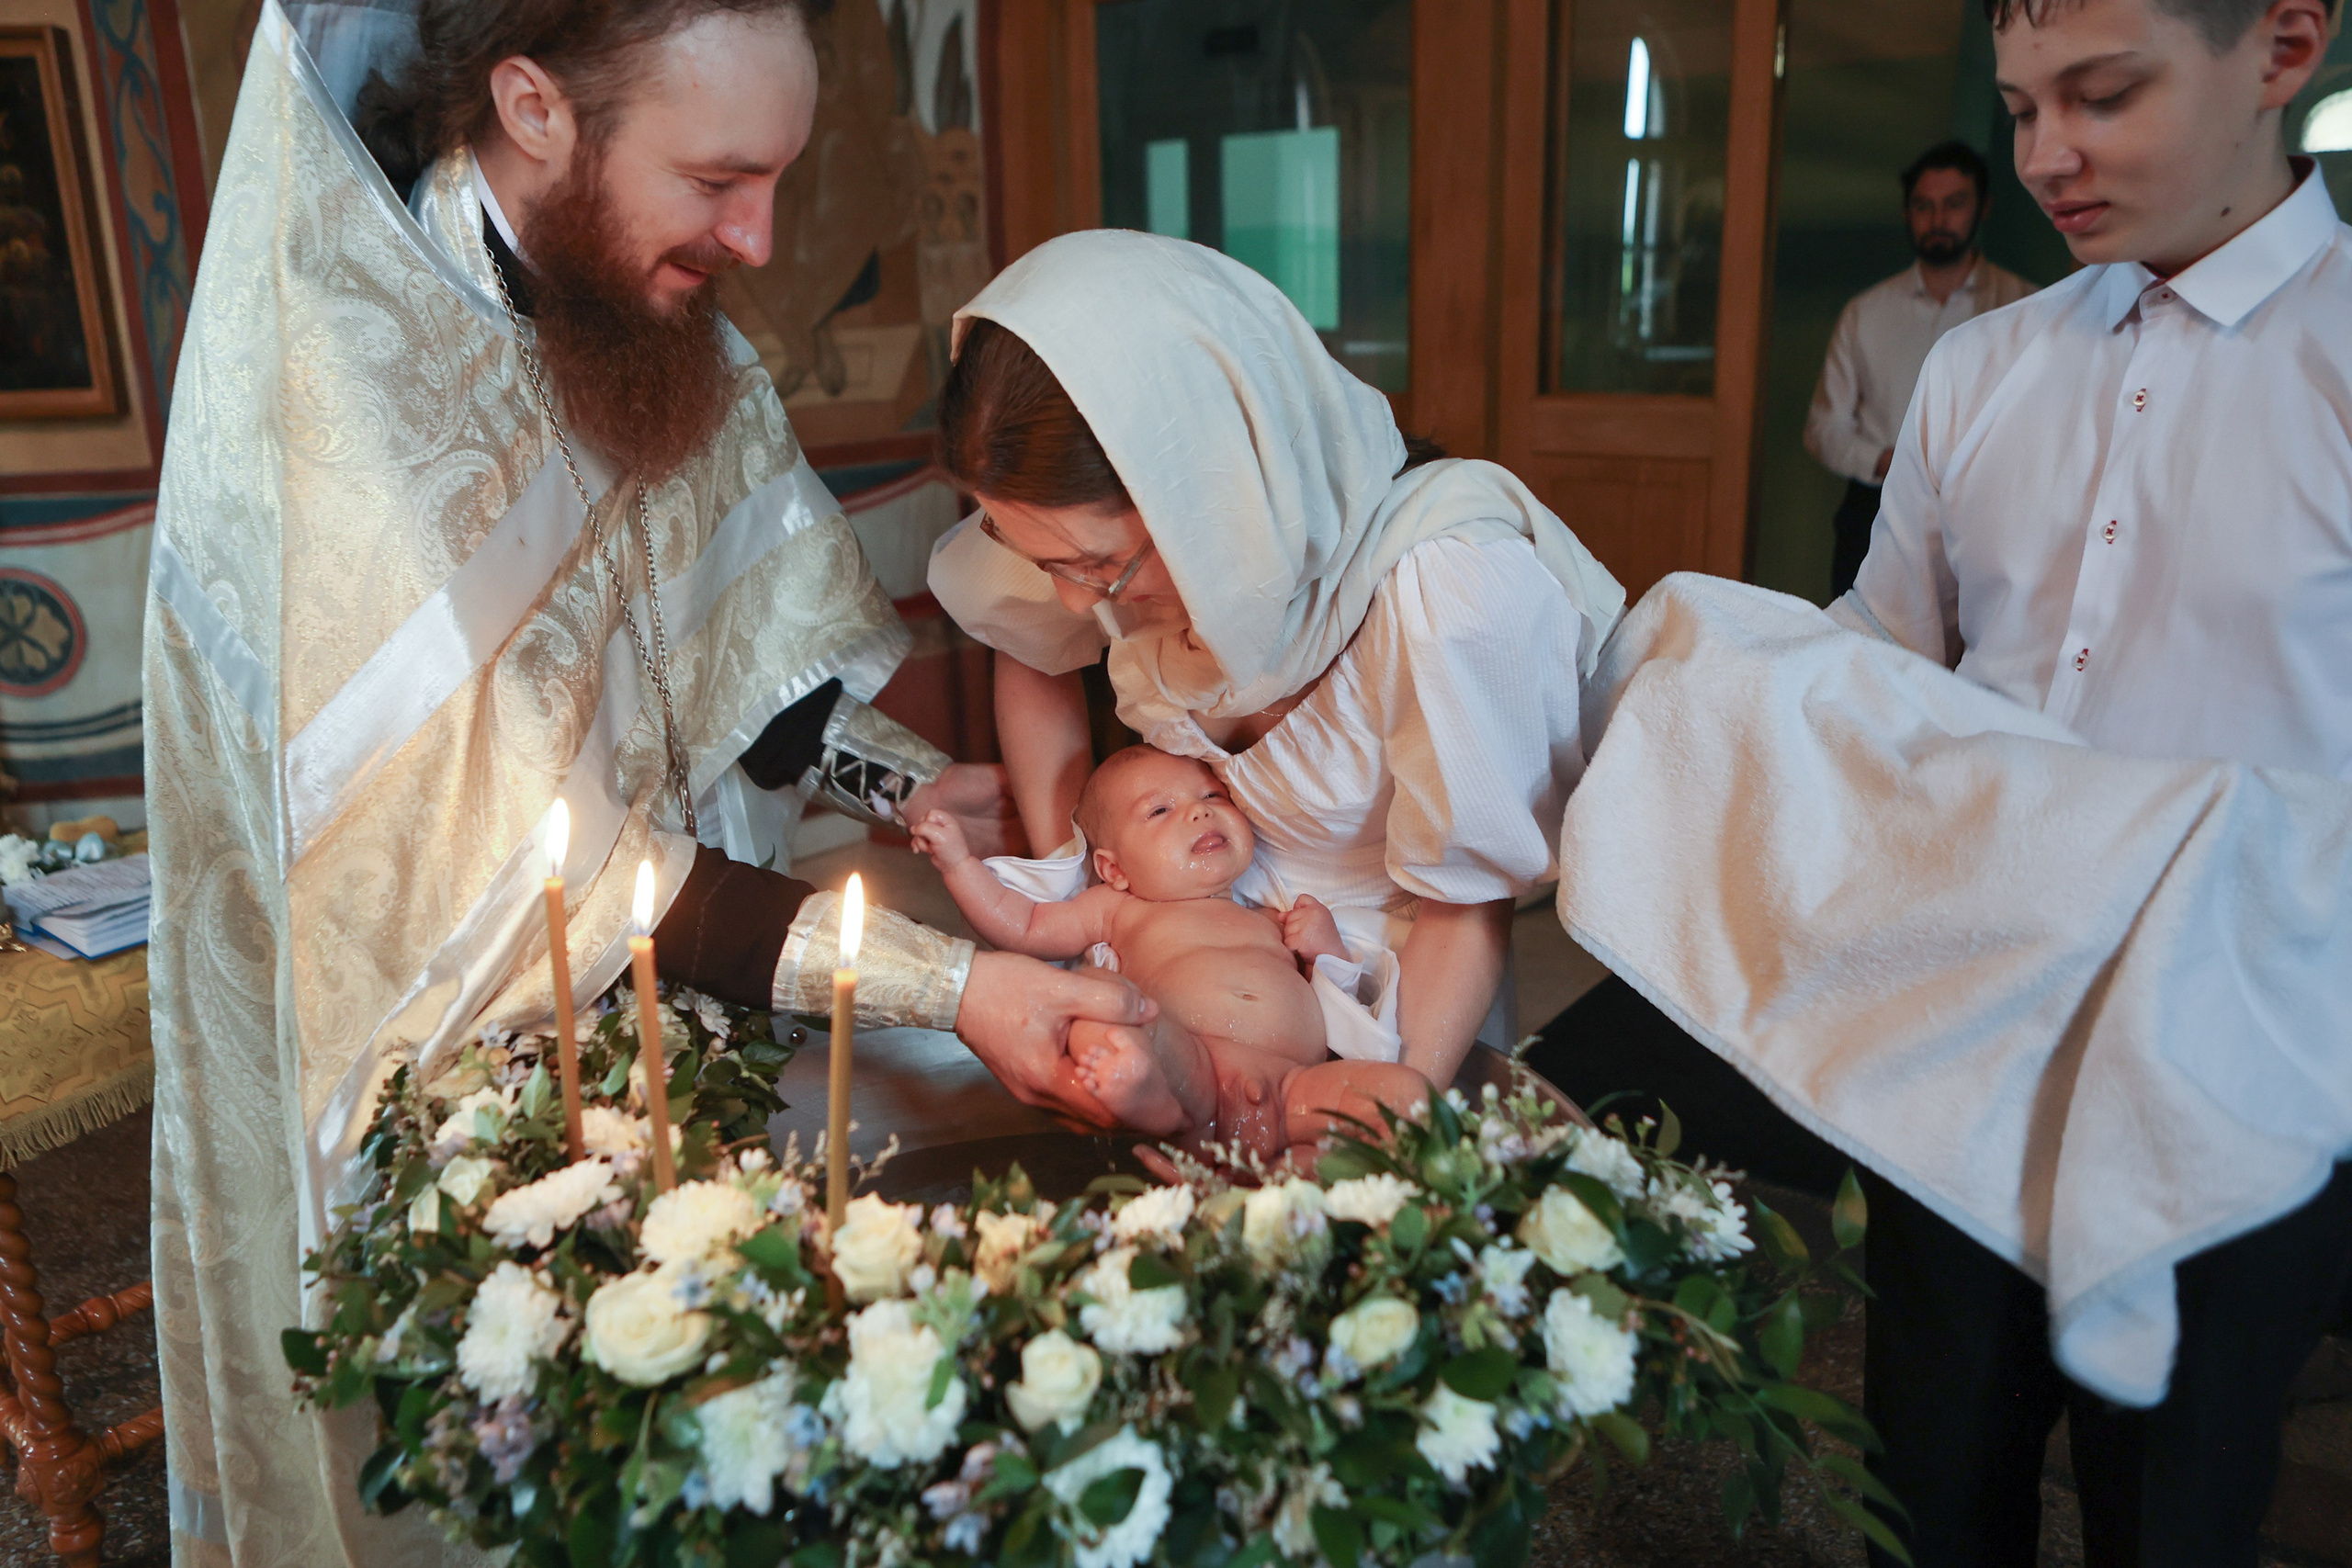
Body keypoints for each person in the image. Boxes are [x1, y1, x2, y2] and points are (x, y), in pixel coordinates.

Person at [142, 5, 1148, 1562]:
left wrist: (906, 787)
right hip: (453, 1065)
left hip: (692, 997)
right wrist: (957, 985)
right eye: (719, 179)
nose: (756, 238)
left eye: (778, 180)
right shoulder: (357, 423)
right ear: (533, 106)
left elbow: (728, 656)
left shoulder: (642, 304)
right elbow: (534, 881)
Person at [1838, 0, 2352, 1561]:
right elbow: (1880, 674)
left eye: (2103, 94)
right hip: (1966, 1040)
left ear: (2281, 49)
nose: (2043, 157)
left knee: (2176, 1508)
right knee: (1927, 1479)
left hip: (2240, 1067)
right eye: (2017, 107)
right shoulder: (1982, 366)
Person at [922, 229, 1628, 1107]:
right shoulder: (1081, 542)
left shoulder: (1450, 595)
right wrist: (1087, 876)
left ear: (1209, 493)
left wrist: (1388, 1104)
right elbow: (1027, 648)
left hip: (1396, 1003)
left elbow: (1465, 902)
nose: (1077, 605)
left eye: (1101, 567)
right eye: (1051, 565)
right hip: (1177, 973)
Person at [910, 746, 1427, 1157]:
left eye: (1212, 796)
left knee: (1408, 1094)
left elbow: (1347, 1000)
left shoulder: (1272, 919)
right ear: (1114, 868)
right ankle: (1145, 1096)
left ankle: (1310, 1170)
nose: (1199, 810)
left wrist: (1326, 950)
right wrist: (959, 864)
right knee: (1100, 996)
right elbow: (1021, 924)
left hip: (1294, 1086)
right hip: (1193, 1073)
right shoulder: (1117, 909)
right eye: (1160, 809)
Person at [1805, 140, 2036, 599]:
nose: (1938, 220)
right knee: (1859, 652)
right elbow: (1823, 428)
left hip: (1990, 508)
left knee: (1974, 659)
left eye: (1954, 204)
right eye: (1923, 206)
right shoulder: (1866, 312)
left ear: (1983, 207)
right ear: (1907, 212)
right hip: (1876, 507)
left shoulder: (2027, 308)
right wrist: (1885, 461)